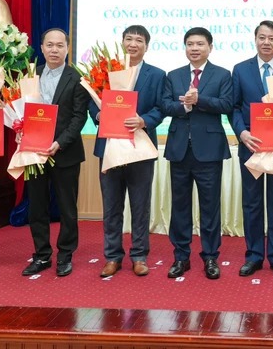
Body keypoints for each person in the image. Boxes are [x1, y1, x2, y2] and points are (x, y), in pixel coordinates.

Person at [89, 25, 166, 278]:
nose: (134, 44)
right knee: (111, 205)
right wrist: (99, 114)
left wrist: (144, 120)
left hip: (141, 147)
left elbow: (161, 108)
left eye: (139, 40)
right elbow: (93, 102)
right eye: (129, 39)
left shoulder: (156, 74)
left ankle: (139, 255)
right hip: (110, 146)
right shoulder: (106, 71)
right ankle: (112, 256)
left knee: (140, 204)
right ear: (122, 42)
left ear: (147, 46)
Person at [162, 27, 233, 280]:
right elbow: (165, 105)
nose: (194, 48)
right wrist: (184, 106)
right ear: (185, 47)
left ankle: (211, 256)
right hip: (180, 150)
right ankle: (181, 256)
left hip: (209, 152)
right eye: (190, 44)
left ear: (210, 47)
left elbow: (226, 104)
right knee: (179, 206)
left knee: (210, 206)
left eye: (200, 44)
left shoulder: (223, 75)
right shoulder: (174, 75)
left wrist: (199, 99)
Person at [22, 28, 89, 277]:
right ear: (41, 48)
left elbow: (78, 117)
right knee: (36, 207)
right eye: (49, 45)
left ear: (67, 48)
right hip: (34, 152)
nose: (54, 50)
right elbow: (21, 112)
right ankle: (41, 255)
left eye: (59, 45)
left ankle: (65, 255)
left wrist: (59, 142)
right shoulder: (31, 75)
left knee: (66, 208)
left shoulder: (77, 78)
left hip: (65, 152)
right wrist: (21, 130)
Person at [231, 20, 273, 278]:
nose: (266, 42)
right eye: (262, 37)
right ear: (255, 39)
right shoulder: (240, 69)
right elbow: (234, 107)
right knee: (252, 203)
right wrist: (242, 133)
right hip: (251, 146)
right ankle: (254, 256)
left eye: (272, 38)